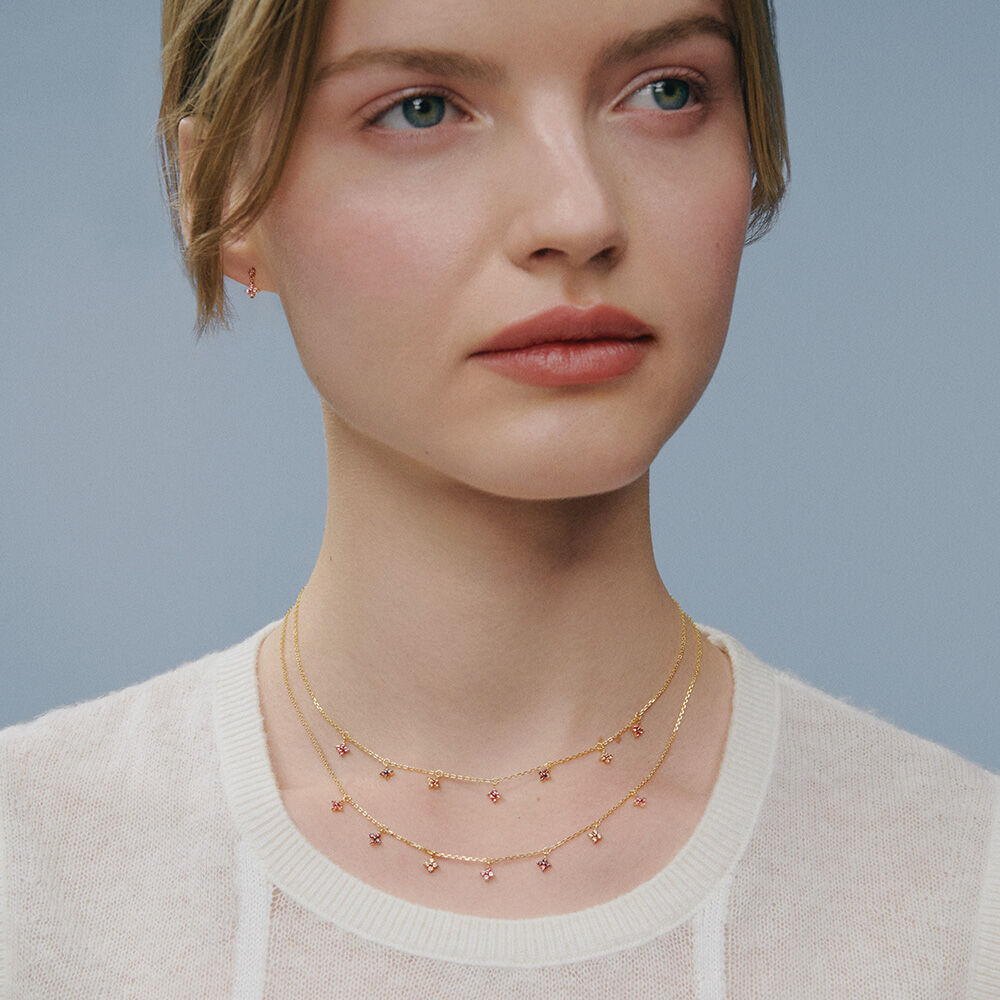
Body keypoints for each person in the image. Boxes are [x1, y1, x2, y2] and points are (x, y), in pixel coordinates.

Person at [0, 0, 996, 995]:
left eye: (665, 92)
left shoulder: (959, 891)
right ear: (222, 192)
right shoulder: (34, 870)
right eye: (423, 109)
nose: (579, 215)